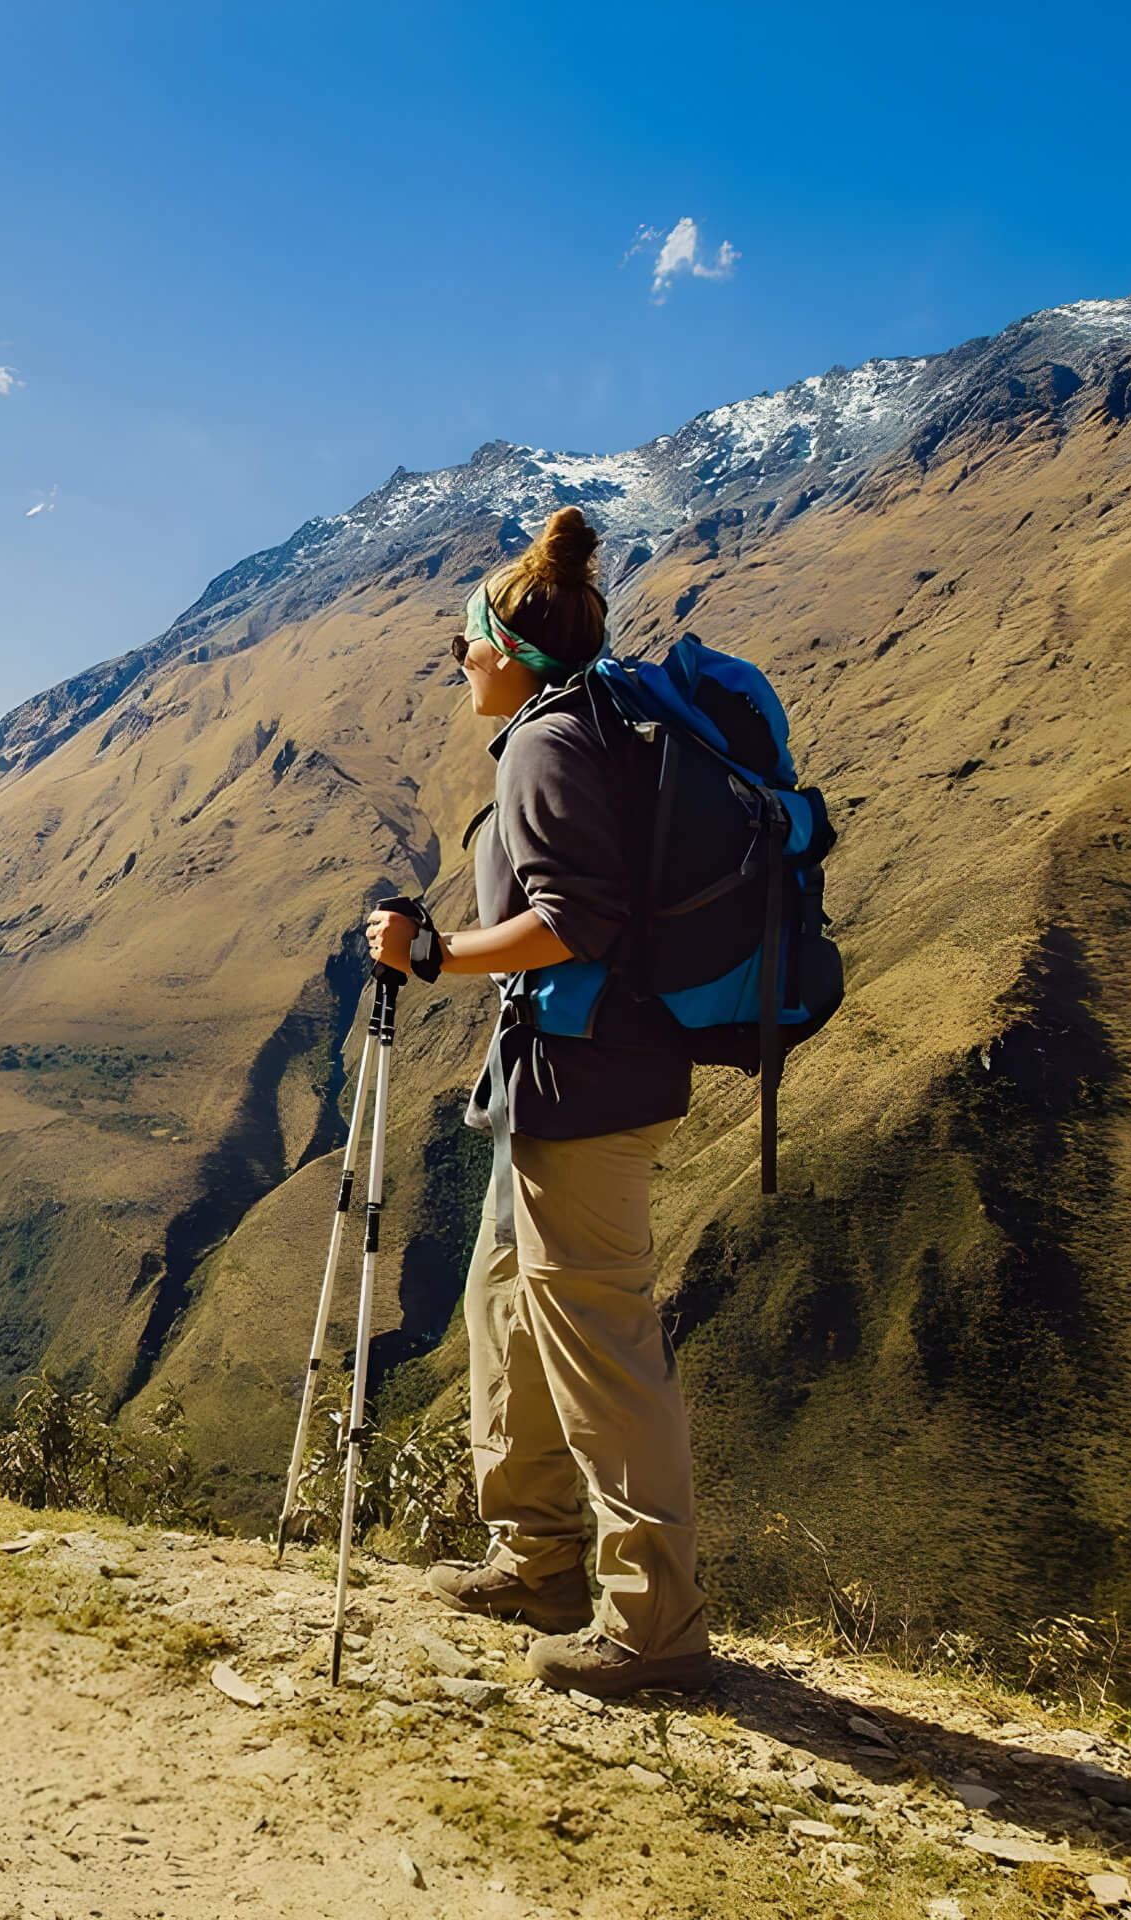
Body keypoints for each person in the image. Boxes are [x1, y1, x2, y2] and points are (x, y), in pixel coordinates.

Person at [365, 504, 712, 1698]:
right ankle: (537, 1561)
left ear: (503, 649)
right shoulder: (583, 723)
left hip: (590, 1085)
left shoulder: (545, 743)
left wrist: (430, 957)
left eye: (462, 644)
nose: (456, 664)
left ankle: (653, 1627)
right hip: (564, 1078)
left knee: (601, 1347)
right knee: (502, 1306)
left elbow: (574, 921)